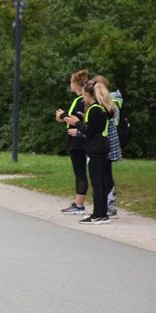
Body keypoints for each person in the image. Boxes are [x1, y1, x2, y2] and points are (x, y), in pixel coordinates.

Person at [61, 79, 114, 224]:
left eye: (84, 95)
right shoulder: (103, 108)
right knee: (101, 181)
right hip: (102, 146)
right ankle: (102, 213)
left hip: (96, 148)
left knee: (97, 182)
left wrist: (76, 123)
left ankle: (98, 215)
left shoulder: (94, 109)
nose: (82, 98)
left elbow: (89, 130)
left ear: (88, 95)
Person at [55, 69, 89, 215]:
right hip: (74, 139)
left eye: (71, 82)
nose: (70, 85)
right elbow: (70, 119)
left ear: (75, 84)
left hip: (79, 140)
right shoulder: (78, 100)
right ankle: (78, 202)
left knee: (80, 172)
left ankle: (79, 205)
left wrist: (63, 116)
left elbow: (78, 120)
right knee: (78, 172)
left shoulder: (83, 100)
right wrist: (63, 118)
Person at [92, 75, 123, 218]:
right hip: (107, 141)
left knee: (105, 173)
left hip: (106, 140)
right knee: (104, 173)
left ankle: (109, 204)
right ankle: (106, 204)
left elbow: (112, 122)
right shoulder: (106, 103)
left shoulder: (108, 104)